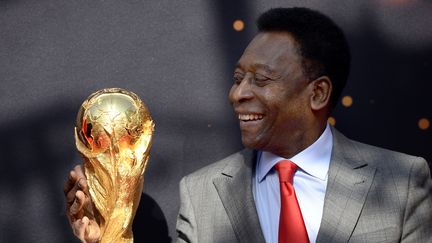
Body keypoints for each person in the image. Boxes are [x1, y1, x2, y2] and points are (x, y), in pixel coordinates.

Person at [65, 7, 432, 243]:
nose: (237, 94)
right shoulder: (202, 193)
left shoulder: (402, 182)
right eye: (238, 77)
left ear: (318, 94)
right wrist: (110, 238)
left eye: (260, 79)